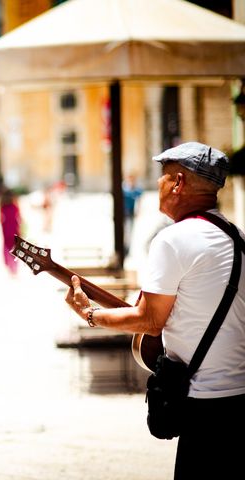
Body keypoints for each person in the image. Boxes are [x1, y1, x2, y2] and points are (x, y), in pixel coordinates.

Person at [64, 142, 245, 479]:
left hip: (204, 404)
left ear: (178, 183)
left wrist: (89, 314)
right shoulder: (238, 237)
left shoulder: (174, 239)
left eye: (162, 177)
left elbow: (150, 319)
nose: (158, 185)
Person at [0, 188, 22, 275]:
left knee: (7, 247)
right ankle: (14, 267)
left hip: (6, 229)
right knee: (15, 246)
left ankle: (10, 266)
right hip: (14, 229)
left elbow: (0, 219)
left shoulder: (2, 207)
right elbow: (19, 218)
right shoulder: (15, 206)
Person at [122, 172, 143, 254]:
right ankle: (124, 246)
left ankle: (128, 249)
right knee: (124, 231)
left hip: (130, 213)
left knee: (130, 231)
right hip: (123, 213)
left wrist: (138, 211)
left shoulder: (137, 190)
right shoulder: (124, 189)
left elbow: (139, 201)